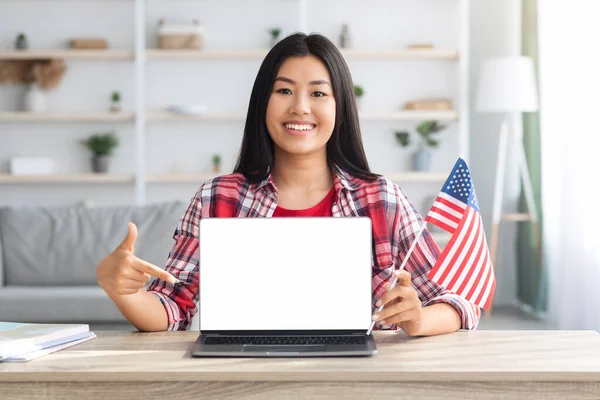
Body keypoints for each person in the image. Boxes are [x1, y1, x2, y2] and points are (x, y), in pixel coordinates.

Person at [96, 33, 480, 335]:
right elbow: (173, 310)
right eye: (284, 91)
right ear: (263, 103)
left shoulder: (381, 198)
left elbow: (459, 301)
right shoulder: (219, 198)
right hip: (242, 373)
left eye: (318, 93)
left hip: (357, 378)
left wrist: (419, 320)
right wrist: (122, 292)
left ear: (339, 107)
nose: (300, 107)